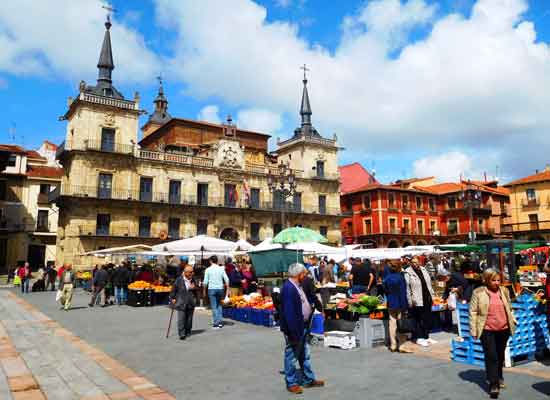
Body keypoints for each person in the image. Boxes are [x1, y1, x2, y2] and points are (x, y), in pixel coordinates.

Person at [470, 269, 516, 398]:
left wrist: (513, 319)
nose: (496, 283)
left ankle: (499, 376)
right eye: (493, 280)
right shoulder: (478, 292)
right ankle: (493, 384)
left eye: (498, 280)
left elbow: (509, 307)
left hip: (504, 328)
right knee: (491, 356)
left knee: (500, 355)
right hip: (487, 329)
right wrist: (473, 330)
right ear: (486, 280)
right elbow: (473, 312)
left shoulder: (504, 291)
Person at [280, 263, 324, 394]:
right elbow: (289, 313)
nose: (305, 276)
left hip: (302, 325)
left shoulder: (296, 286)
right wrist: (293, 332)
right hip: (295, 328)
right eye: (304, 274)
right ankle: (291, 382)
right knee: (292, 356)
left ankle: (308, 379)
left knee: (305, 354)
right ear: (299, 274)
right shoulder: (289, 288)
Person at [404, 256, 436, 347]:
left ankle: (426, 336)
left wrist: (432, 296)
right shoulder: (408, 272)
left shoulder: (423, 269)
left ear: (420, 262)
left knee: (427, 318)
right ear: (410, 263)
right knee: (418, 319)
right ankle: (419, 337)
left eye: (416, 262)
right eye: (413, 262)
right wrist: (410, 300)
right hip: (417, 299)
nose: (415, 264)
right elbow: (407, 288)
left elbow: (428, 284)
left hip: (427, 297)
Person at [383, 262, 411, 353]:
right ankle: (401, 345)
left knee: (392, 324)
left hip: (391, 302)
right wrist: (405, 306)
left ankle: (393, 345)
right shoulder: (400, 278)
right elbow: (403, 292)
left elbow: (385, 290)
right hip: (400, 302)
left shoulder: (387, 278)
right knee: (400, 324)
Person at [170, 265, 199, 340]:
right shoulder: (179, 280)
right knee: (181, 319)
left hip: (191, 301)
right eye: (191, 272)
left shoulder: (194, 280)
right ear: (185, 273)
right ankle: (182, 334)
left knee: (189, 319)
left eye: (192, 272)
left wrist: (195, 287)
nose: (192, 273)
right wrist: (173, 297)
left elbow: (198, 288)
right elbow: (174, 289)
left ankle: (188, 330)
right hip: (181, 301)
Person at [203, 255, 229, 329]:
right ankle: (220, 322)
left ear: (211, 261)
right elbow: (227, 279)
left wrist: (204, 291)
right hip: (220, 289)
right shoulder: (221, 269)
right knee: (219, 305)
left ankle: (216, 323)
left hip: (211, 289)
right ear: (217, 261)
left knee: (214, 306)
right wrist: (227, 288)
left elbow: (205, 282)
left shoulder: (208, 269)